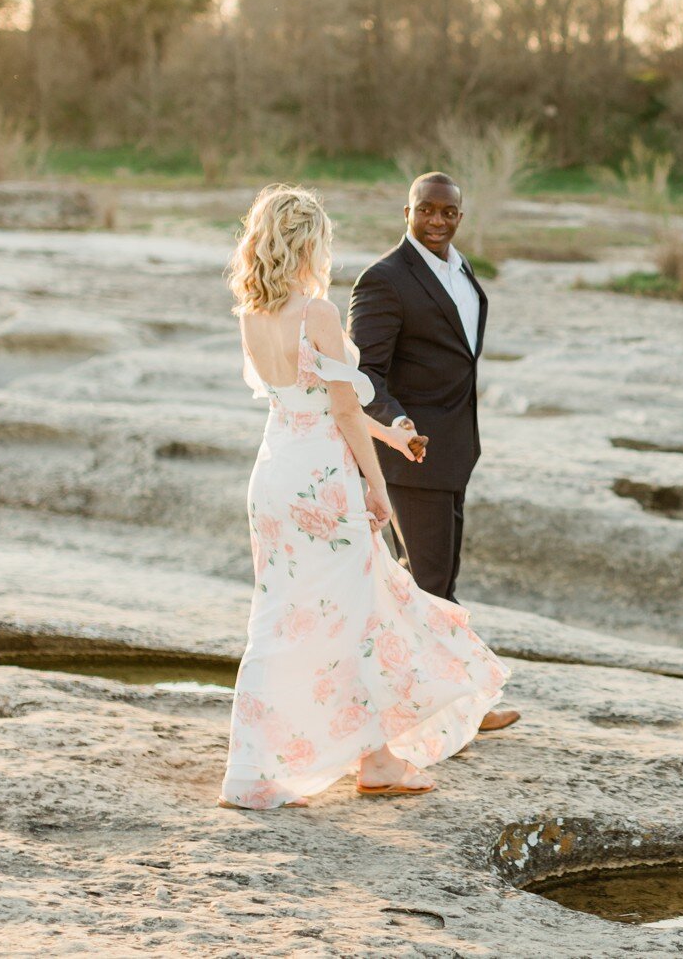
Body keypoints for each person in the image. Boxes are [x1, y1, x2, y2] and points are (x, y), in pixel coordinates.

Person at [219, 184, 508, 810]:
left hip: (274, 475)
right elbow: (344, 411)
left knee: (286, 617)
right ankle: (372, 759)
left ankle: (282, 766)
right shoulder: (316, 313)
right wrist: (378, 490)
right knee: (354, 615)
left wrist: (395, 434)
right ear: (307, 241)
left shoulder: (252, 313)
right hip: (323, 479)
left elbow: (314, 400)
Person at [349, 171, 519, 732]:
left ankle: (450, 706)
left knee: (435, 580)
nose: (438, 221)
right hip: (411, 454)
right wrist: (396, 421)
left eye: (448, 213)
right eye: (427, 211)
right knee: (426, 584)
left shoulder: (462, 269)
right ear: (407, 211)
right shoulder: (384, 279)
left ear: (460, 217)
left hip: (455, 451)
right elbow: (364, 375)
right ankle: (441, 714)